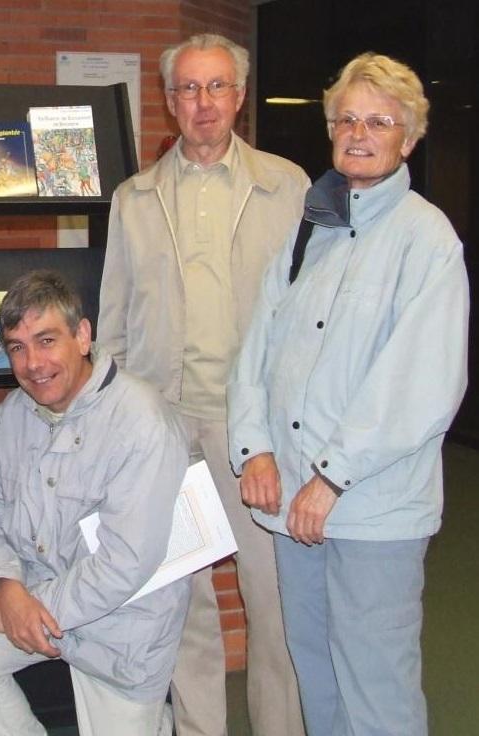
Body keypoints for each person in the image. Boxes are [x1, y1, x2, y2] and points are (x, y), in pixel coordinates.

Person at [228, 52, 468, 736]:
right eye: (347, 118)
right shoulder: (314, 226)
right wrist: (255, 449)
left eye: (379, 121)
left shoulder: (426, 240)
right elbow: (259, 346)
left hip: (370, 513)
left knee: (375, 687)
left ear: (408, 138)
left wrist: (329, 479)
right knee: (317, 677)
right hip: (292, 501)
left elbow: (420, 384)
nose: (358, 133)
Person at [99, 32, 308, 736]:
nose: (202, 102)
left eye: (216, 86)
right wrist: (117, 427)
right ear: (168, 101)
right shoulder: (133, 199)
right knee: (184, 603)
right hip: (167, 431)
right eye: (187, 89)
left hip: (257, 436)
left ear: (240, 96)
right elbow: (114, 324)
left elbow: (313, 315)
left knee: (271, 604)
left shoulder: (288, 188)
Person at [0, 270, 191, 736]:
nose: (33, 363)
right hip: (30, 597)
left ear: (83, 336)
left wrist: (23, 609)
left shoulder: (142, 419)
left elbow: (125, 564)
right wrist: (6, 586)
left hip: (121, 629)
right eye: (17, 347)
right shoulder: (14, 413)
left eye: (46, 340)